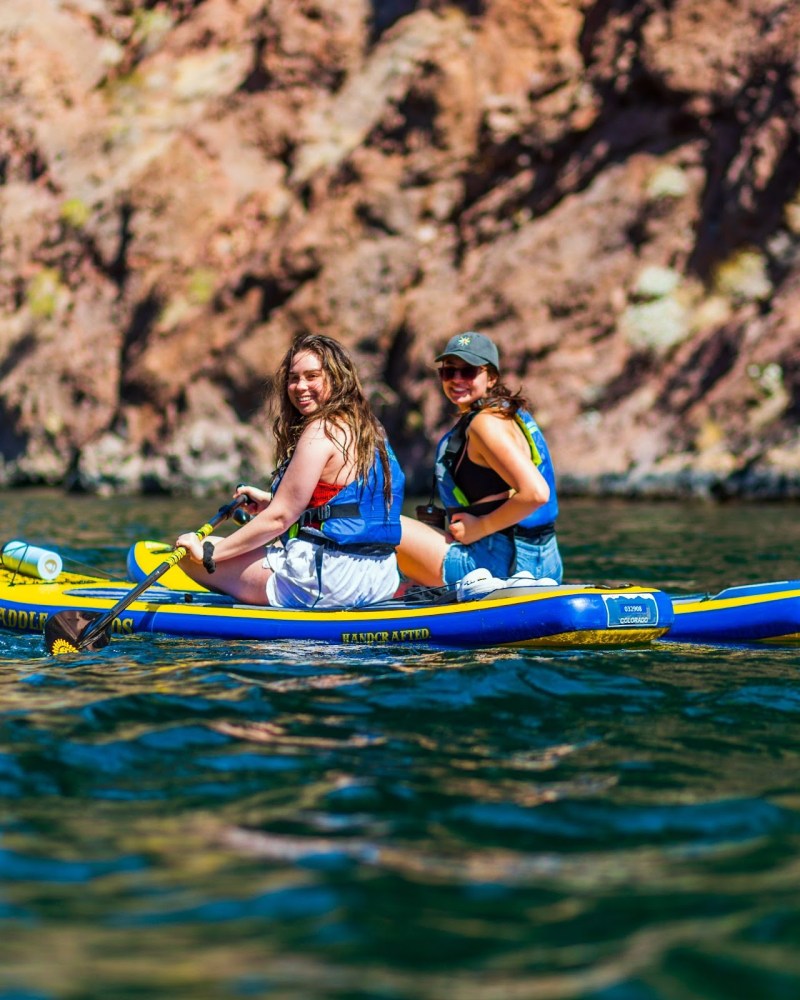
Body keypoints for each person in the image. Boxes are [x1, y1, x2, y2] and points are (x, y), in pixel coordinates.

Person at [175, 334, 405, 608]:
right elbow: (339, 504)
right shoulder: (371, 429)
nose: (299, 386)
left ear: (336, 379)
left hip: (331, 582)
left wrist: (209, 553)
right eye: (294, 378)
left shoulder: (321, 431)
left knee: (188, 556)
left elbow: (280, 519)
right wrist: (270, 502)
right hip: (382, 578)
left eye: (312, 376)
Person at [397, 331, 562, 589]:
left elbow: (537, 493)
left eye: (469, 371)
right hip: (544, 563)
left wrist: (479, 527)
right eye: (448, 372)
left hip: (497, 565)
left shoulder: (484, 425)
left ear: (491, 377)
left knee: (384, 524)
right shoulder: (508, 414)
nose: (457, 379)